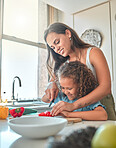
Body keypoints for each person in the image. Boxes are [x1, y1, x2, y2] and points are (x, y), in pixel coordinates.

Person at [42, 22, 116, 120]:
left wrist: (73, 106)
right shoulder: (62, 64)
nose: (56, 49)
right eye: (53, 47)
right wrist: (50, 84)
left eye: (57, 42)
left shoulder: (93, 53)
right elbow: (52, 83)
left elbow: (105, 87)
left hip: (100, 106)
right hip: (78, 113)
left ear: (68, 33)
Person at [42, 61, 107, 120]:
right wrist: (51, 85)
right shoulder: (62, 96)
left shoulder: (87, 99)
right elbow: (44, 99)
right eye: (62, 87)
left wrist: (69, 115)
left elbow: (103, 115)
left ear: (81, 85)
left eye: (69, 88)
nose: (66, 92)